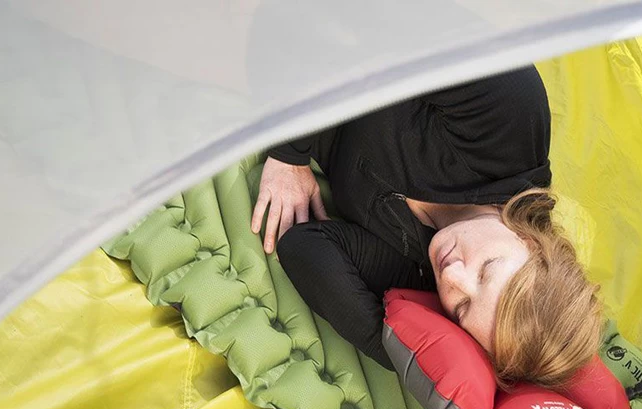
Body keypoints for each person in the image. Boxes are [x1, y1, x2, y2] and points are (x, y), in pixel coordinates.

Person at [250, 66, 602, 389]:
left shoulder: (425, 274)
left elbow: (304, 245)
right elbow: (372, 29)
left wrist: (397, 352)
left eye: (463, 308)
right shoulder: (509, 117)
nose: (453, 277)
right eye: (486, 270)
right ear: (531, 243)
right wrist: (289, 153)